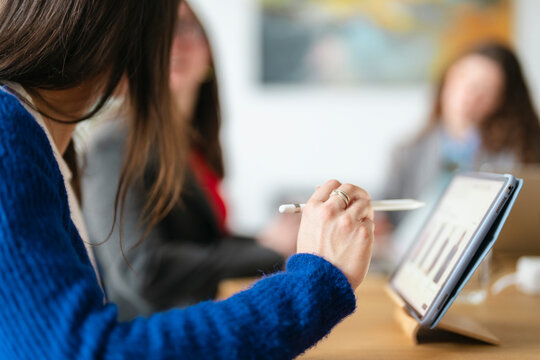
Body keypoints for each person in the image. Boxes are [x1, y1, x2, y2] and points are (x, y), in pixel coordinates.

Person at [0, 1, 374, 358]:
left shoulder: (35, 143)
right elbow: (91, 347)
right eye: (166, 25)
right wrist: (313, 281)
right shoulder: (10, 132)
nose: (171, 44)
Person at [82, 2, 297, 320]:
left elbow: (204, 242)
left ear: (207, 52)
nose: (172, 40)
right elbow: (142, 271)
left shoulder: (192, 144)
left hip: (205, 320)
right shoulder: (112, 144)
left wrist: (272, 239)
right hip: (154, 340)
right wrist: (270, 250)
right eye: (157, 32)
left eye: (183, 26)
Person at [382, 41, 540, 227]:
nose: (469, 93)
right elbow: (388, 209)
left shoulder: (518, 154)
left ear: (502, 100)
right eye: (463, 78)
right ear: (446, 79)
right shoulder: (407, 150)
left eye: (486, 88)